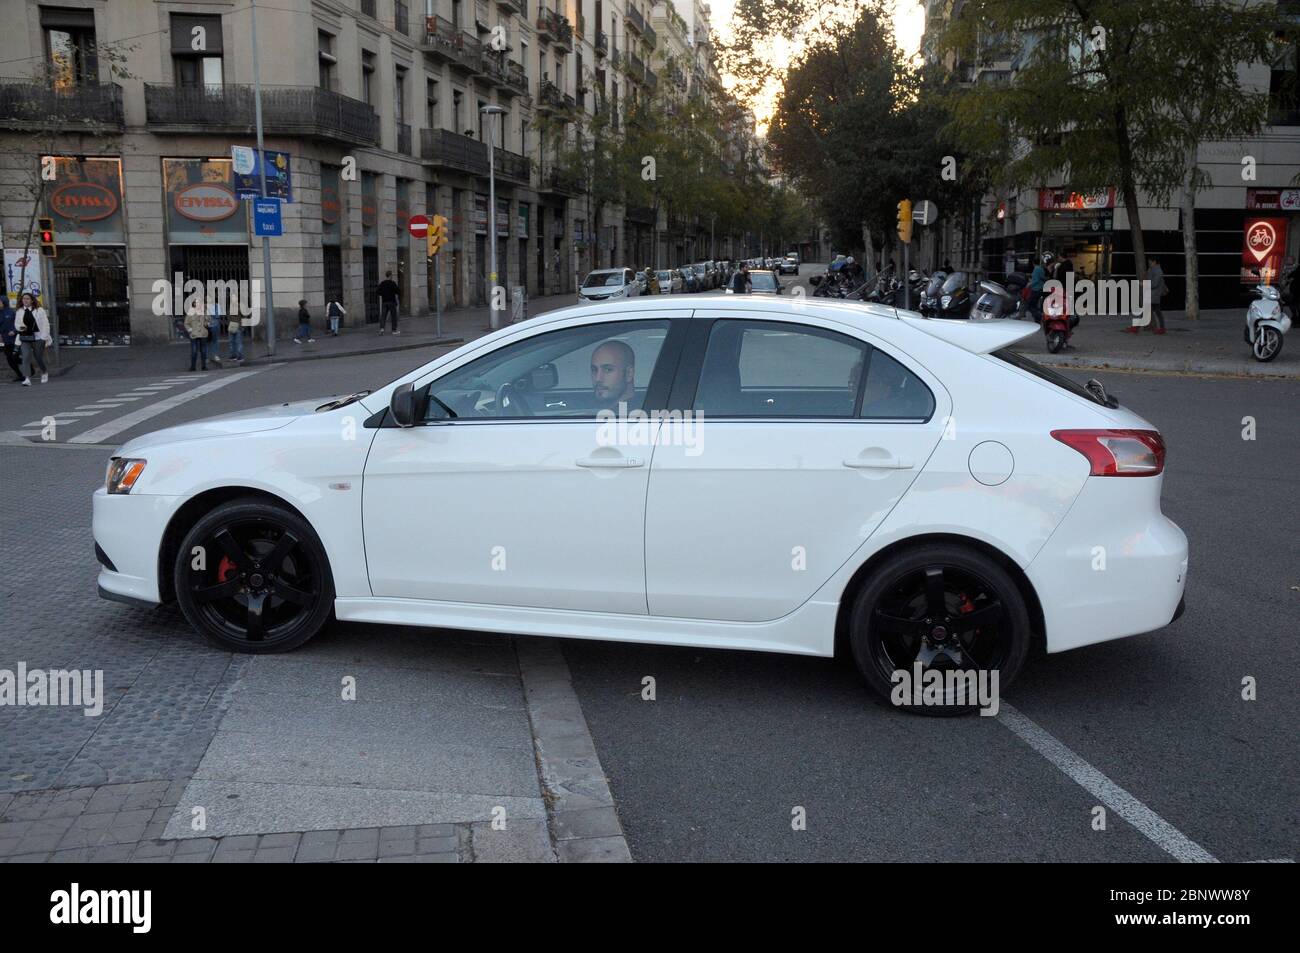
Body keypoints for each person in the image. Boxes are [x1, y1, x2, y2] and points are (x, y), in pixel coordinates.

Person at [15, 292, 52, 385]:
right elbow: (17, 324)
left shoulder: (40, 310)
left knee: (38, 357)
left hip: (38, 337)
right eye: (24, 299)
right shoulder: (19, 311)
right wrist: (22, 328)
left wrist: (44, 337)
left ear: (32, 300)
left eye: (27, 299)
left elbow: (46, 324)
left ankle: (44, 372)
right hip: (25, 337)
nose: (25, 300)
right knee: (26, 357)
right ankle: (27, 378)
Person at [591, 339, 636, 410]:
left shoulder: (636, 417)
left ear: (629, 373)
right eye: (594, 370)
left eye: (608, 370)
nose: (598, 379)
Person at [1133, 256, 1168, 335]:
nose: (1149, 264)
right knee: (1157, 312)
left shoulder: (1158, 271)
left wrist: (1143, 284)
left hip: (1153, 294)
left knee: (1147, 311)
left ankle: (1136, 327)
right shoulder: (1153, 270)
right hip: (1153, 294)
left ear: (1154, 262)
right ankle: (1162, 328)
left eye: (1150, 262)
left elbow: (1154, 284)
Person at [1, 298, 23, 382]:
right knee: (9, 360)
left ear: (4, 302)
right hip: (5, 340)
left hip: (15, 340)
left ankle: (28, 366)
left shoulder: (11, 312)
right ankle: (20, 375)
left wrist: (14, 331)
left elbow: (19, 324)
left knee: (15, 358)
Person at [184, 300, 209, 371]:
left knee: (203, 350)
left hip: (203, 333)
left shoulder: (204, 311)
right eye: (196, 302)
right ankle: (193, 366)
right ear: (194, 303)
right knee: (194, 351)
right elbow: (186, 323)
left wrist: (207, 322)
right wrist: (190, 330)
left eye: (199, 302)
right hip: (194, 334)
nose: (198, 304)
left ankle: (204, 366)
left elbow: (208, 320)